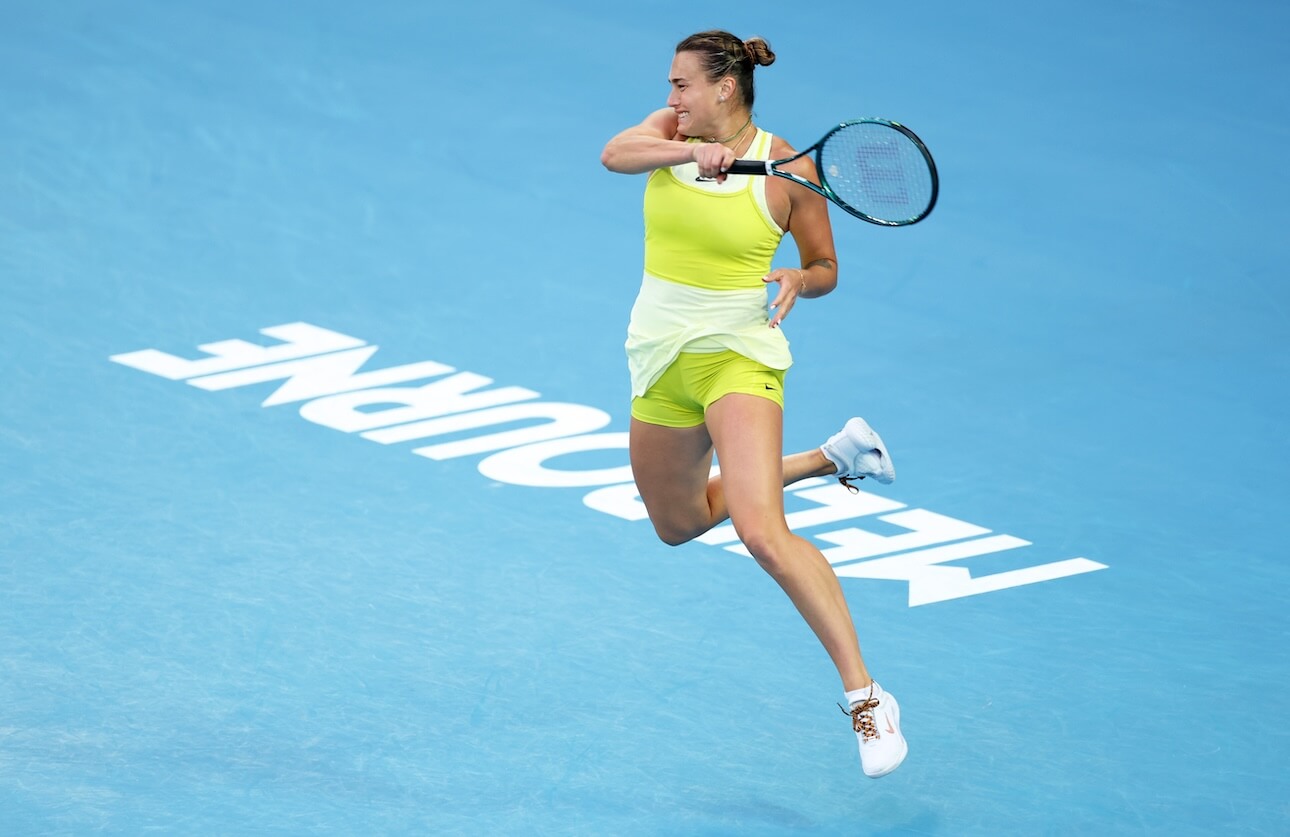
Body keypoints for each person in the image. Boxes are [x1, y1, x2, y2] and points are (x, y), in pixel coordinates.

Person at [599, 30, 908, 779]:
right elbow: (614, 154)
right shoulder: (668, 132)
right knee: (675, 524)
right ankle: (833, 456)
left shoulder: (789, 170)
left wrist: (804, 279)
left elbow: (827, 264)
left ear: (726, 88)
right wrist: (684, 151)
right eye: (671, 87)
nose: (672, 98)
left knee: (763, 533)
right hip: (659, 359)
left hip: (738, 357)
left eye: (683, 85)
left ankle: (867, 697)